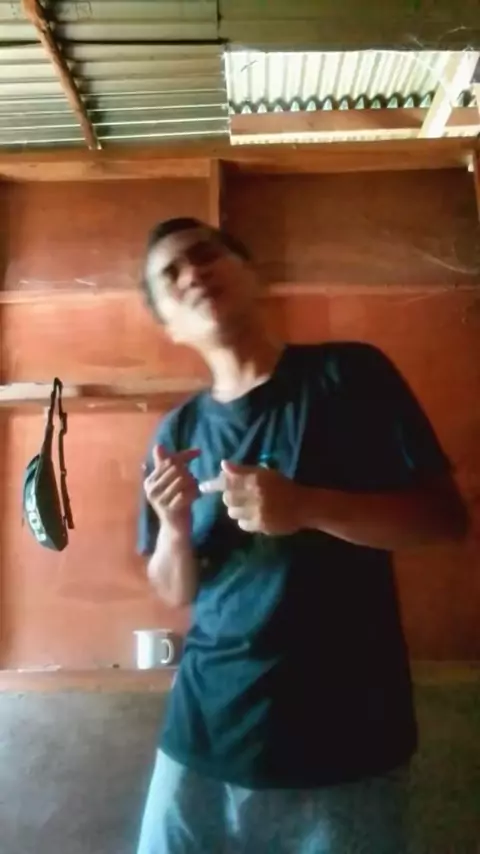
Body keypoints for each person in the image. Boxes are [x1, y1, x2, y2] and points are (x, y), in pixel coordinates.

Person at [136, 217, 466, 854]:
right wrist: (174, 530)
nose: (193, 272)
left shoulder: (350, 375)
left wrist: (307, 506)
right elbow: (175, 590)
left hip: (345, 741)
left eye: (206, 255)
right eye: (170, 274)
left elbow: (443, 521)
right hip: (201, 736)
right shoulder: (176, 434)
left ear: (251, 274)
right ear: (168, 325)